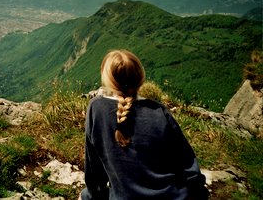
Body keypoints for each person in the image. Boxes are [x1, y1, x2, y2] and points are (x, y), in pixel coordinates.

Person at [80, 50, 208, 200]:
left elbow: (94, 169)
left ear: (107, 80)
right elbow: (188, 165)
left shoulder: (96, 109)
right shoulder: (159, 111)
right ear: (140, 78)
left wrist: (89, 196)